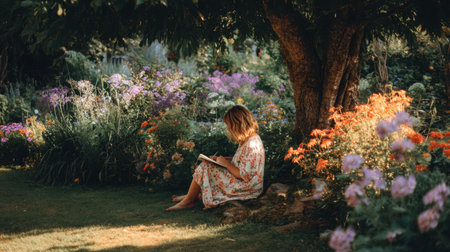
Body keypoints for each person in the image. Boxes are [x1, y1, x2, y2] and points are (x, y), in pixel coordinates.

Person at [166, 105, 265, 211]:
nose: (228, 130)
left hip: (247, 187)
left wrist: (226, 164)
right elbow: (242, 162)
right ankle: (190, 196)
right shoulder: (247, 140)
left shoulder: (252, 145)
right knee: (208, 165)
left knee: (205, 167)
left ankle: (188, 201)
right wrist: (222, 160)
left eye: (229, 127)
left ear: (237, 125)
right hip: (243, 182)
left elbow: (243, 175)